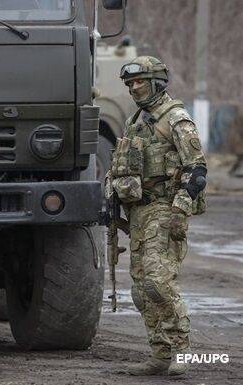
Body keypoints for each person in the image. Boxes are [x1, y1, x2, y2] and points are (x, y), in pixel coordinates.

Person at [107, 56, 207, 376]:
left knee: (157, 282)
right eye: (131, 83)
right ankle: (160, 352)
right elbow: (123, 165)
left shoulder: (175, 118)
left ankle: (182, 350)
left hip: (164, 208)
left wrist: (180, 209)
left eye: (141, 82)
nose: (135, 88)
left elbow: (197, 169)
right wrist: (113, 201)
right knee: (139, 289)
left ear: (158, 82)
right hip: (138, 211)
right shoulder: (136, 120)